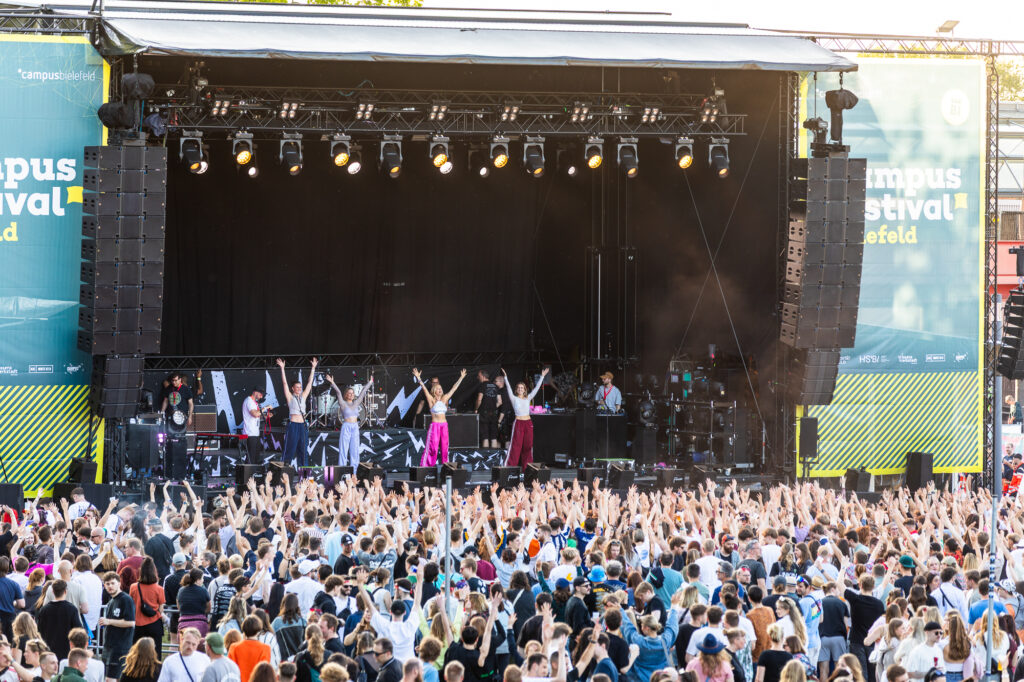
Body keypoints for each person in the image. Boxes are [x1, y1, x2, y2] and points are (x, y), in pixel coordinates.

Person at [412, 368, 467, 467]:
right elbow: (424, 388)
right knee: (433, 449)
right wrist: (418, 378)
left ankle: (446, 467)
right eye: (438, 388)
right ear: (434, 391)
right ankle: (427, 467)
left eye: (440, 388)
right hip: (435, 426)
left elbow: (454, 388)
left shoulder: (444, 398)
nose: (440, 389)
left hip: (444, 425)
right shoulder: (431, 400)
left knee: (445, 449)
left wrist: (461, 378)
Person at [501, 367, 549, 470]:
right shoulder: (514, 398)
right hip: (518, 423)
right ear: (516, 389)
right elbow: (508, 388)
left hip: (528, 423)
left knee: (528, 446)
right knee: (516, 446)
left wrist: (542, 377)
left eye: (522, 388)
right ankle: (509, 468)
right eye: (518, 387)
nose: (520, 389)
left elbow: (536, 389)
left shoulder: (528, 398)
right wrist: (505, 377)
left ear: (525, 390)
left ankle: (527, 469)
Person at [326, 372, 374, 475]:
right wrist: (332, 382)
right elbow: (338, 392)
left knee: (355, 451)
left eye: (353, 393)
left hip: (355, 427)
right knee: (343, 450)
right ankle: (342, 472)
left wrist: (370, 382)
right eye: (349, 393)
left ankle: (354, 473)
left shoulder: (356, 403)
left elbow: (363, 392)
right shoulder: (343, 403)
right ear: (346, 395)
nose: (351, 395)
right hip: (346, 426)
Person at [276, 357, 317, 468]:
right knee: (289, 450)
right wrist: (282, 369)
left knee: (303, 451)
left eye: (300, 387)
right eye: (297, 387)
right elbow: (284, 383)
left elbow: (309, 383)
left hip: (303, 425)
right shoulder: (290, 397)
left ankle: (304, 474)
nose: (299, 389)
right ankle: (284, 472)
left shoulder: (303, 396)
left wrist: (313, 368)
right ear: (293, 388)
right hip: (293, 425)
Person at [101, 572, 136, 682]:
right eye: (107, 584)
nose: (110, 586)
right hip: (109, 646)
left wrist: (109, 621)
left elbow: (131, 622)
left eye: (113, 583)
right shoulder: (111, 601)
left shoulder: (126, 599)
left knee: (110, 679)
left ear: (119, 584)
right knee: (110, 678)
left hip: (120, 647)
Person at [38, 581, 83, 661]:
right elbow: (78, 629)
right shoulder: (71, 609)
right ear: (65, 591)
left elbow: (40, 630)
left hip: (48, 649)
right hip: (66, 649)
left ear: (52, 592)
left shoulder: (44, 610)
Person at [130, 558, 165, 658]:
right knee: (155, 653)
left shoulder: (133, 587)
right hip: (154, 623)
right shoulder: (159, 589)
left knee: (137, 653)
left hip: (138, 624)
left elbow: (132, 604)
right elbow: (161, 609)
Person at [228, 617, 271, 682]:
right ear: (258, 631)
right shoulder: (265, 648)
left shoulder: (234, 647)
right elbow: (264, 673)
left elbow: (230, 669)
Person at [241, 387, 271, 465]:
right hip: (249, 433)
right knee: (251, 457)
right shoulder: (249, 401)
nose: (261, 397)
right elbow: (255, 414)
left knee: (256, 457)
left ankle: (254, 471)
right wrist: (266, 407)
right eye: (261, 395)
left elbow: (257, 416)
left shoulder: (255, 403)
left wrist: (267, 416)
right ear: (255, 392)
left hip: (255, 433)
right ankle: (248, 472)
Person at [474, 370, 502, 449]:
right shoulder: (496, 386)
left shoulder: (482, 385)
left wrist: (476, 409)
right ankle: (494, 456)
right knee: (493, 437)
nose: (478, 378)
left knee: (485, 437)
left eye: (479, 376)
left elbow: (479, 399)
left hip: (484, 413)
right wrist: (493, 407)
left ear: (483, 376)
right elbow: (500, 402)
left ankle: (486, 456)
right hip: (494, 413)